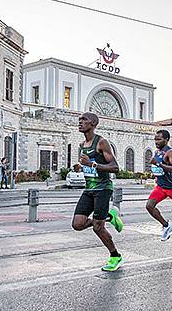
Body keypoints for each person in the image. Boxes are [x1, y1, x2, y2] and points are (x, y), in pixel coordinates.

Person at [72, 112, 124, 272]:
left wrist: (93, 165)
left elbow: (115, 168)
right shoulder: (82, 145)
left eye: (84, 120)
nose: (80, 122)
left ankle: (115, 256)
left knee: (98, 227)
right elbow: (88, 165)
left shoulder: (101, 142)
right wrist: (81, 167)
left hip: (103, 189)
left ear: (93, 123)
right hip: (89, 189)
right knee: (77, 224)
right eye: (79, 120)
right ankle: (110, 216)